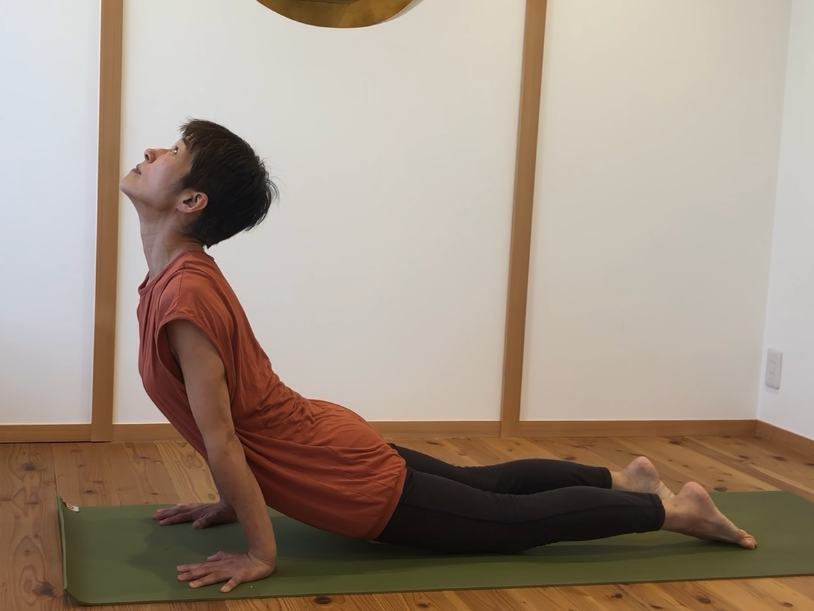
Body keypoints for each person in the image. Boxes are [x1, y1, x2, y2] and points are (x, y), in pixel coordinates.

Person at [119, 119, 756, 594]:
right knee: (486, 485)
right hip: (323, 443)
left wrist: (260, 553)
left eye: (171, 152)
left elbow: (224, 436)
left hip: (338, 475)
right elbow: (227, 420)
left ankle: (675, 511)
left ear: (192, 201)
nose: (150, 152)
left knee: (508, 521)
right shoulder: (176, 281)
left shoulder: (185, 293)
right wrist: (232, 502)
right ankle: (628, 482)